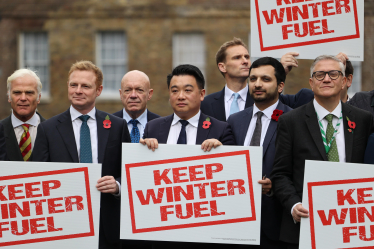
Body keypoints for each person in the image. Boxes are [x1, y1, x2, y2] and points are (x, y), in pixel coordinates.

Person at [270, 55, 374, 249]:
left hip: (350, 226)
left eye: (334, 74)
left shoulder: (363, 120)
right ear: (311, 82)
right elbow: (280, 173)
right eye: (320, 75)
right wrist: (293, 205)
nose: (326, 79)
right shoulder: (290, 121)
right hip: (305, 227)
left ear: (344, 81)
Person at [32, 61, 131, 249]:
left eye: (85, 86)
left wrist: (117, 185)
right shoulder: (47, 129)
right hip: (63, 227)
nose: (78, 90)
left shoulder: (118, 126)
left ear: (99, 90)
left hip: (107, 228)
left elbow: (130, 173)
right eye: (73, 85)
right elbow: (37, 178)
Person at [140, 64, 235, 249]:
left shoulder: (220, 129)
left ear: (201, 94)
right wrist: (141, 154)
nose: (180, 96)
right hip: (162, 232)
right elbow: (144, 182)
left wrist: (224, 153)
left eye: (187, 90)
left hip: (206, 232)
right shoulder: (153, 128)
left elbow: (232, 183)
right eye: (174, 90)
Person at [227, 57, 291, 249]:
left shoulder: (293, 119)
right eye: (253, 79)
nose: (257, 84)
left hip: (275, 226)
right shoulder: (234, 120)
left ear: (280, 86)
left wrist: (274, 186)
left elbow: (299, 170)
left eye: (265, 79)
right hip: (236, 224)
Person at [200, 38, 314, 121]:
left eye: (247, 57)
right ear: (222, 67)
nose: (245, 61)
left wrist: (279, 72)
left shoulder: (266, 97)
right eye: (237, 57)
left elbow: (307, 99)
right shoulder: (205, 104)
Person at [0, 69, 46, 161]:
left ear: (39, 98)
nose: (23, 98)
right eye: (17, 92)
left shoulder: (53, 132)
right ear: (9, 97)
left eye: (29, 93)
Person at [113, 70, 160, 143]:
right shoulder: (109, 124)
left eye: (139, 90)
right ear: (121, 94)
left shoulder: (162, 126)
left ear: (149, 94)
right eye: (128, 90)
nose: (133, 95)